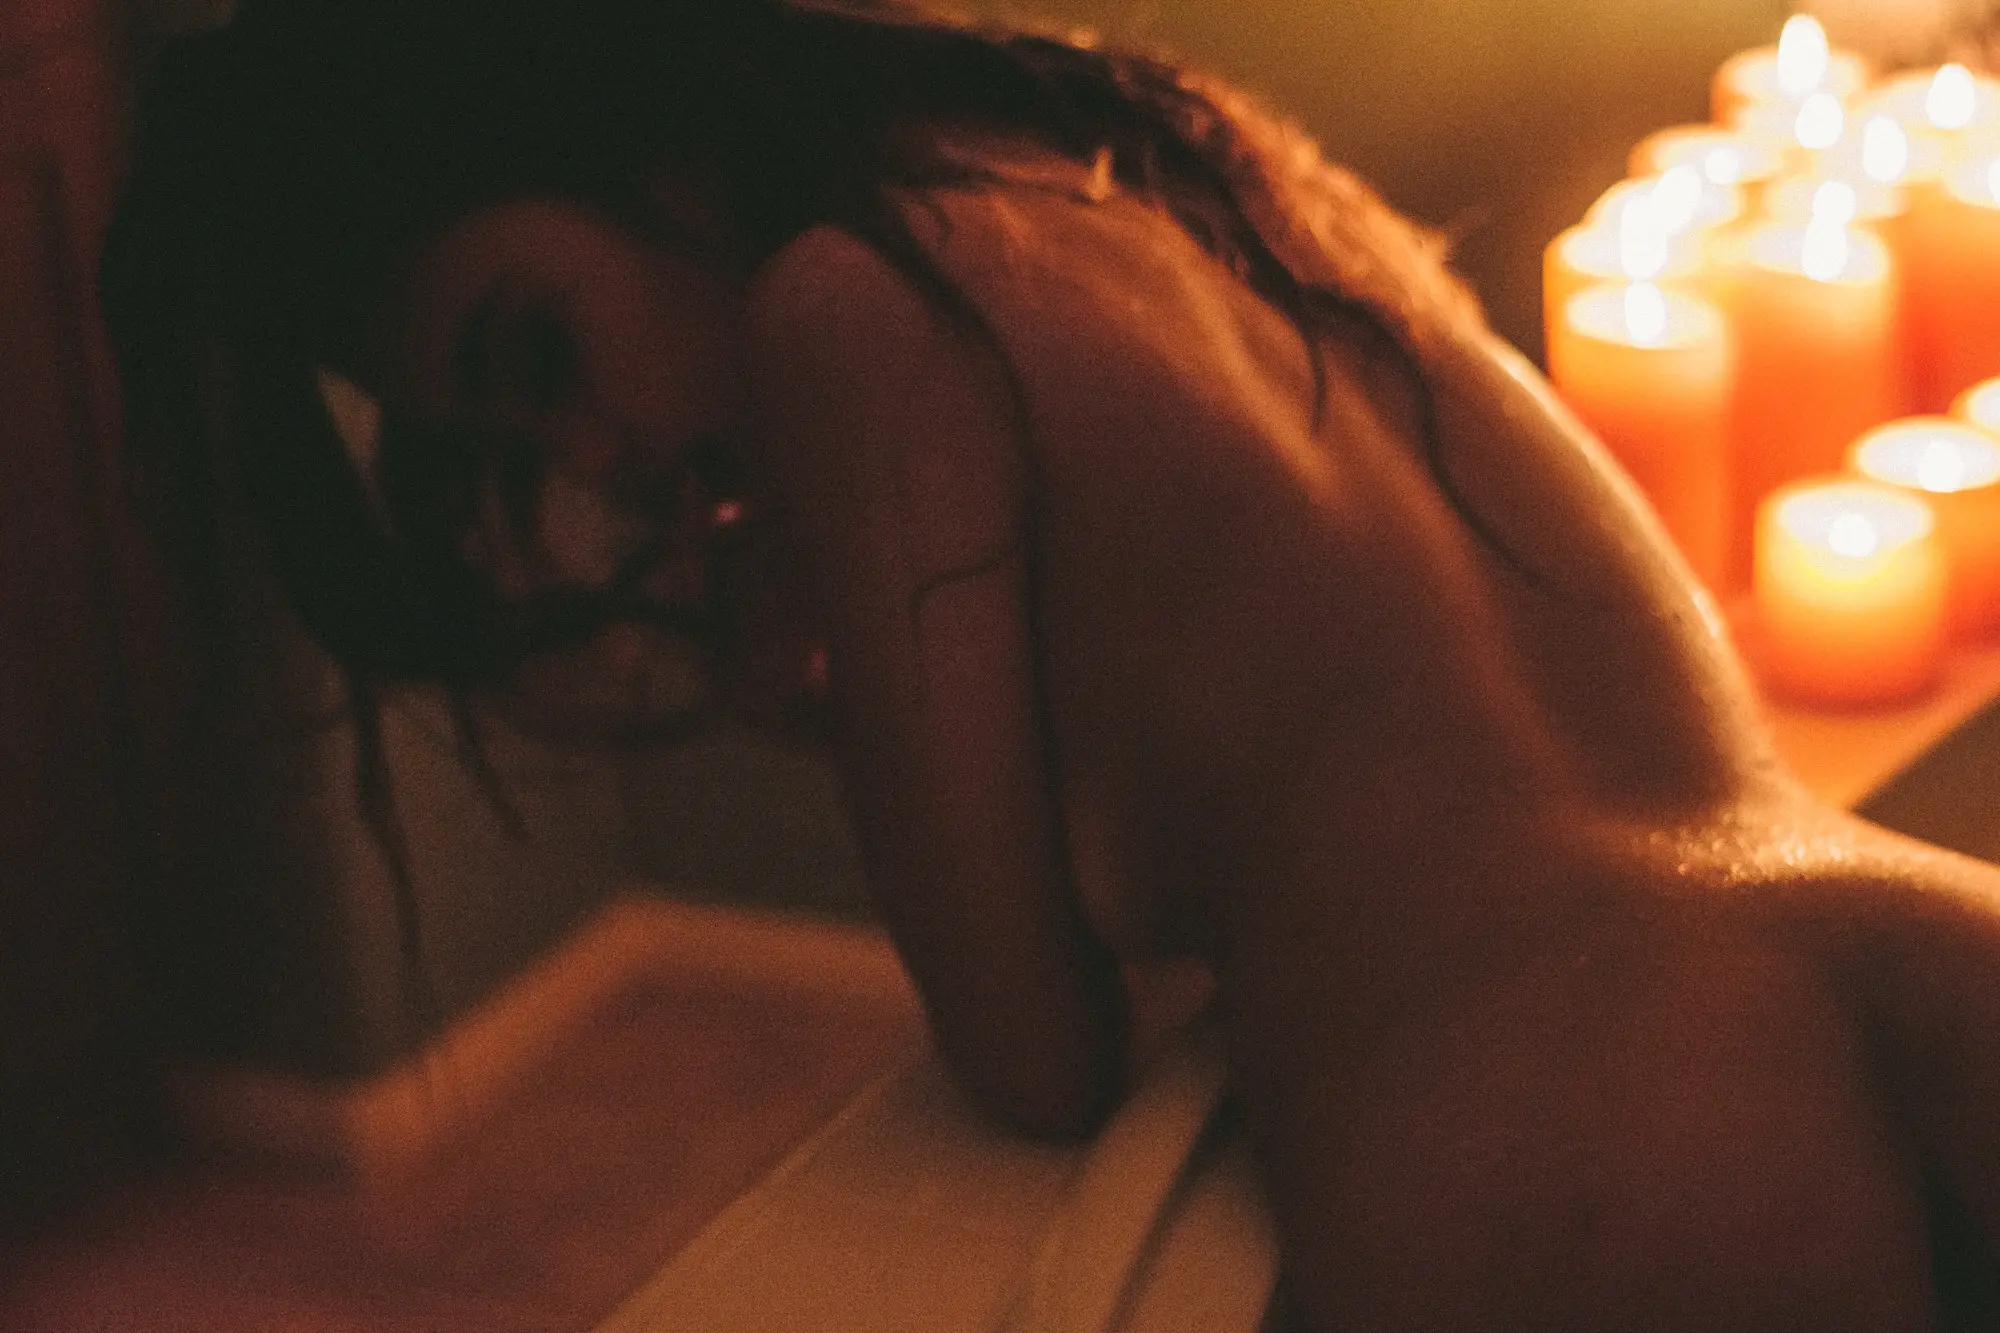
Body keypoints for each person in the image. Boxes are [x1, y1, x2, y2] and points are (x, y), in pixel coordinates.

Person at [102, 0, 2000, 1326]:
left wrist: (798, 679)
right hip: (1869, 924)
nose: (601, 464)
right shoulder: (1138, 155)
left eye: (538, 355)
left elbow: (1033, 1053)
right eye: (514, 464)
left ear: (626, 152)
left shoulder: (851, 319)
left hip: (1570, 1140)